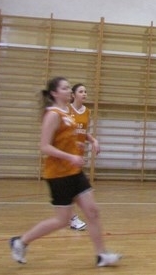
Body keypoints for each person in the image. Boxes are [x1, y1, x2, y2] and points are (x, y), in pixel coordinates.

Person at [9, 77, 121, 267]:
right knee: (61, 221)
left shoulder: (67, 112)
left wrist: (83, 144)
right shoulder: (52, 115)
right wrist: (70, 156)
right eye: (65, 88)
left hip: (74, 172)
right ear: (54, 93)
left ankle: (101, 255)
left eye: (69, 88)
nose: (69, 91)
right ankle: (20, 242)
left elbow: (69, 136)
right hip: (58, 175)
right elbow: (44, 146)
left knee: (92, 212)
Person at [67, 82, 100, 232]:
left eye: (85, 91)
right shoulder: (66, 110)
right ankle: (72, 218)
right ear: (73, 95)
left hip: (78, 155)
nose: (84, 94)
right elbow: (63, 132)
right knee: (71, 188)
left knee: (72, 188)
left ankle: (68, 216)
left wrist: (93, 140)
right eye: (81, 91)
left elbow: (82, 132)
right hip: (66, 154)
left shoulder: (87, 111)